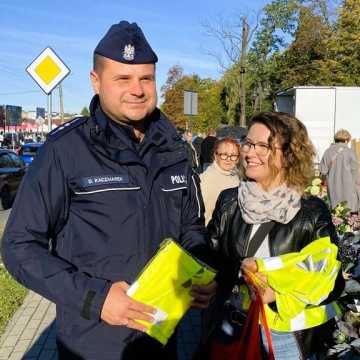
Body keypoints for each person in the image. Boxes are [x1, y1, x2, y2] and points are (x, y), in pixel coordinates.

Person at [1, 21, 217, 360]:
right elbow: (19, 247)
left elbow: (191, 227)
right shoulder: (65, 151)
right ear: (96, 81)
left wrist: (200, 267)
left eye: (146, 78)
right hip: (93, 345)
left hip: (161, 339)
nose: (138, 89)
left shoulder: (175, 150)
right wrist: (96, 298)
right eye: (122, 78)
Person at [200, 112, 344, 359]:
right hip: (232, 326)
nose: (249, 152)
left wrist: (277, 296)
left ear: (288, 154)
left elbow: (332, 282)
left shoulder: (310, 211)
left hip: (285, 339)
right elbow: (209, 258)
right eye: (248, 142)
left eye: (262, 146)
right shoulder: (230, 201)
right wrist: (213, 281)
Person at [200, 137, 241, 225]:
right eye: (224, 154)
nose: (228, 159)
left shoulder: (236, 176)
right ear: (215, 155)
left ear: (237, 158)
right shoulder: (206, 179)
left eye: (233, 155)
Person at [320, 129, 359, 211]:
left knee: (335, 215)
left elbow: (323, 172)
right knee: (349, 217)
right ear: (346, 140)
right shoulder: (350, 152)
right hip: (349, 192)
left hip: (333, 191)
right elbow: (355, 175)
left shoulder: (327, 152)